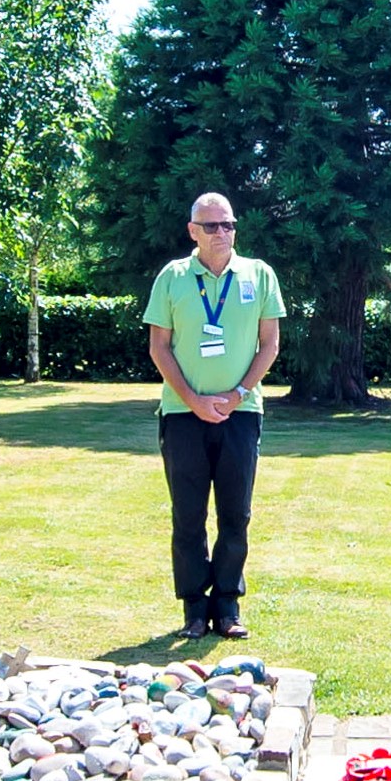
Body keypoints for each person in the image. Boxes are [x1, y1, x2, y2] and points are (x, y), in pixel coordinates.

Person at [143, 192, 285, 640]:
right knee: (188, 515)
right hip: (182, 414)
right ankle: (193, 609)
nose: (222, 232)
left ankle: (227, 607)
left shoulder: (259, 275)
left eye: (228, 224)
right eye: (211, 226)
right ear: (193, 231)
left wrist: (238, 394)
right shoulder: (173, 277)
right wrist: (192, 399)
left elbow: (270, 345)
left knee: (235, 514)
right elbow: (159, 347)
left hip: (241, 413)